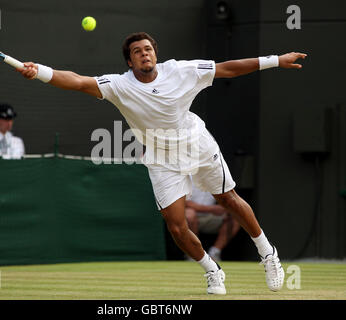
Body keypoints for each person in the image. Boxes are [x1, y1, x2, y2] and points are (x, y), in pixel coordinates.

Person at [17, 32, 307, 294]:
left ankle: (268, 254)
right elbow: (77, 81)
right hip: (161, 158)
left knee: (228, 198)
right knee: (177, 227)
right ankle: (212, 270)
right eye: (137, 52)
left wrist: (276, 60)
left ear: (155, 54)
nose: (144, 54)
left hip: (197, 145)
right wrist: (40, 71)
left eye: (148, 49)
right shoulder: (118, 85)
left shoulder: (181, 70)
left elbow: (227, 68)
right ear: (130, 62)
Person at [185, 183, 240, 261]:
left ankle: (214, 252)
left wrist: (224, 208)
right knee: (189, 214)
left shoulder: (215, 178)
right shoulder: (185, 176)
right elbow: (185, 203)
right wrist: (212, 209)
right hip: (191, 215)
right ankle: (193, 252)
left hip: (211, 217)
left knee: (235, 218)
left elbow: (228, 198)